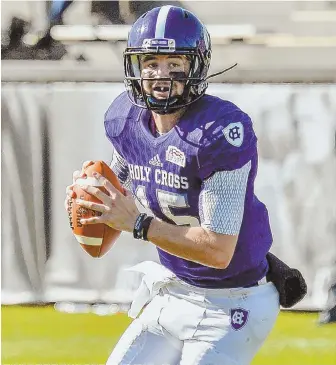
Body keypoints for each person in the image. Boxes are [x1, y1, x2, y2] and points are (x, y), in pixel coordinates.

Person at [65, 6, 282, 364]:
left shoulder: (219, 132)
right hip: (174, 292)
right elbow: (125, 174)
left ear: (196, 66)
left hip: (231, 303)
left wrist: (138, 224)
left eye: (175, 63)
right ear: (135, 67)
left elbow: (217, 250)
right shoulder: (126, 120)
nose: (160, 75)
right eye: (150, 62)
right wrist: (92, 194)